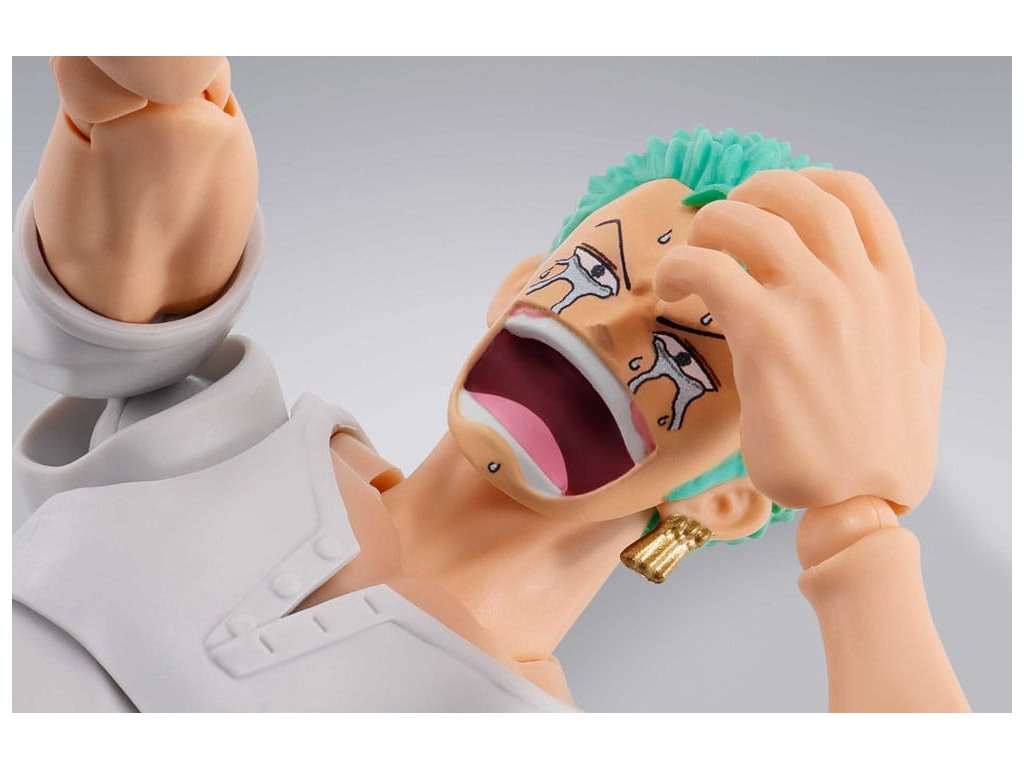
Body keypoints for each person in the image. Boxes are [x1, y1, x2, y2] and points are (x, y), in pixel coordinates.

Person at [12, 56, 969, 712]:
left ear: (728, 497)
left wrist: (858, 524)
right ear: (518, 285)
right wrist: (155, 121)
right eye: (593, 271)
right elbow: (131, 311)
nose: (606, 324)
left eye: (683, 356)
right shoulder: (223, 441)